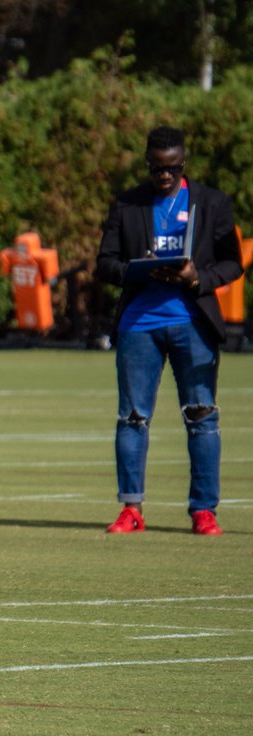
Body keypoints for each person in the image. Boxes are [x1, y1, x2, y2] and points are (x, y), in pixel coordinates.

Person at [96, 126, 242, 536]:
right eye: (158, 169)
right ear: (147, 164)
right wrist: (137, 271)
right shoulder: (127, 204)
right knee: (132, 417)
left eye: (173, 169)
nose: (165, 177)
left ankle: (203, 511)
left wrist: (197, 277)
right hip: (138, 325)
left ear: (184, 164)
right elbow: (104, 263)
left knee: (201, 416)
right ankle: (131, 509)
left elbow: (234, 263)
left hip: (192, 323)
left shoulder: (212, 203)